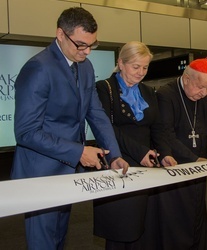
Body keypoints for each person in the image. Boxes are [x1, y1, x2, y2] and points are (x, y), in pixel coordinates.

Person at [10, 7, 129, 249]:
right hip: (39, 175)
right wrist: (78, 152)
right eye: (80, 45)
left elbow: (95, 113)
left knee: (59, 239)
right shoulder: (38, 68)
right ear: (60, 34)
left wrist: (114, 154)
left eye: (91, 45)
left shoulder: (84, 67)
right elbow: (26, 132)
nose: (86, 52)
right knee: (43, 243)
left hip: (67, 172)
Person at [93, 41, 177, 249]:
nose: (141, 72)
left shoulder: (148, 92)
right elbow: (107, 128)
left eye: (145, 67)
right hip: (118, 162)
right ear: (121, 63)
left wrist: (164, 153)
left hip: (145, 165)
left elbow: (157, 127)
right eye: (136, 66)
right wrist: (140, 152)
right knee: (120, 228)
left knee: (143, 227)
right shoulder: (104, 88)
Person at [152, 58, 207, 250]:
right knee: (177, 219)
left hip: (198, 167)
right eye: (201, 87)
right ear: (186, 79)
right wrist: (194, 159)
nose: (204, 93)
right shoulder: (166, 95)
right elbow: (166, 134)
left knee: (196, 215)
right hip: (176, 167)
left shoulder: (205, 97)